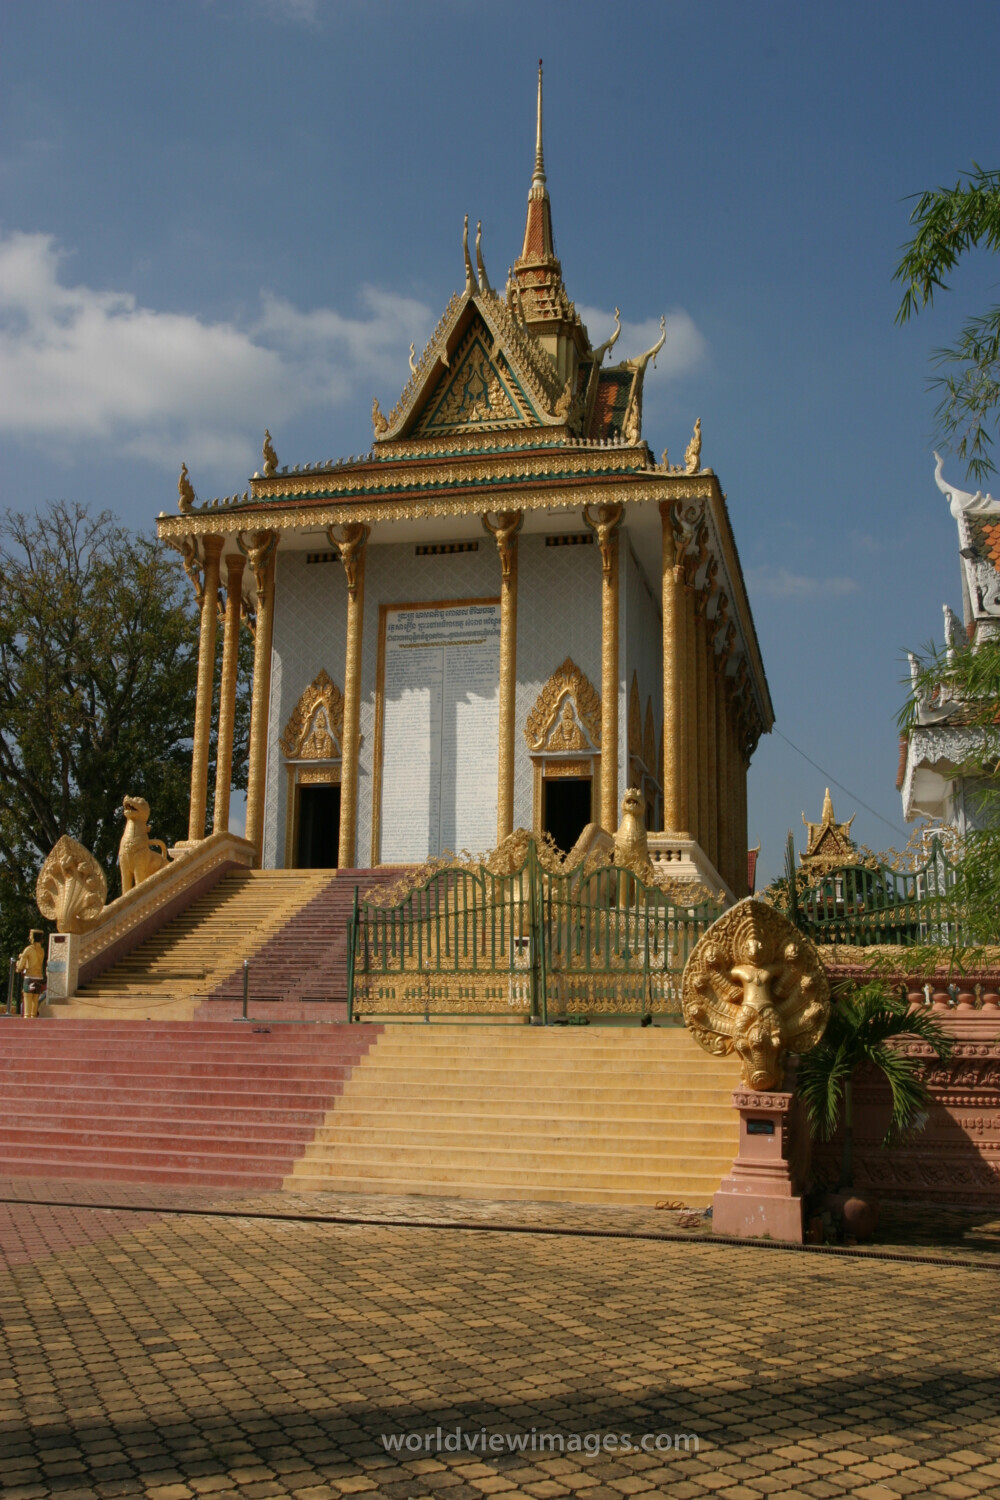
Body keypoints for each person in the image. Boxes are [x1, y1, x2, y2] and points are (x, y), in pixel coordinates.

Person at [15, 930, 46, 1018]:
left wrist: (18, 968)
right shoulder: (41, 950)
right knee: (35, 998)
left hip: (29, 976)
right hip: (39, 976)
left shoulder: (29, 949)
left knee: (27, 997)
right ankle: (33, 1016)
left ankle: (27, 1016)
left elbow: (21, 963)